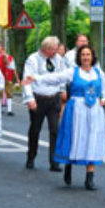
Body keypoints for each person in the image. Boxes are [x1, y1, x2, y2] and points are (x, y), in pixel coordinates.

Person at [24, 45, 105, 189]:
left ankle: (89, 177)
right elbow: (54, 78)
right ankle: (69, 166)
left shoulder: (98, 73)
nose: (86, 57)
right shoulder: (73, 72)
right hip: (77, 109)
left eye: (88, 54)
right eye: (83, 54)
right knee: (74, 138)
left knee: (92, 140)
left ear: (92, 57)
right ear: (79, 57)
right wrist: (35, 78)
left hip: (94, 111)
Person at [22, 36, 67, 171]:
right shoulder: (33, 59)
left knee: (55, 129)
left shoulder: (59, 60)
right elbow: (27, 80)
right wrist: (30, 98)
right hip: (38, 98)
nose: (56, 51)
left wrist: (63, 89)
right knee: (35, 129)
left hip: (53, 98)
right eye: (53, 49)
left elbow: (62, 76)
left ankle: (54, 161)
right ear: (46, 49)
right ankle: (31, 156)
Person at [0, 43, 19, 116]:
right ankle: (0, 109)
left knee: (9, 93)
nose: (1, 51)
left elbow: (13, 68)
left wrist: (17, 79)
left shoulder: (10, 58)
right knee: (0, 94)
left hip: (8, 77)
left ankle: (9, 110)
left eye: (2, 50)